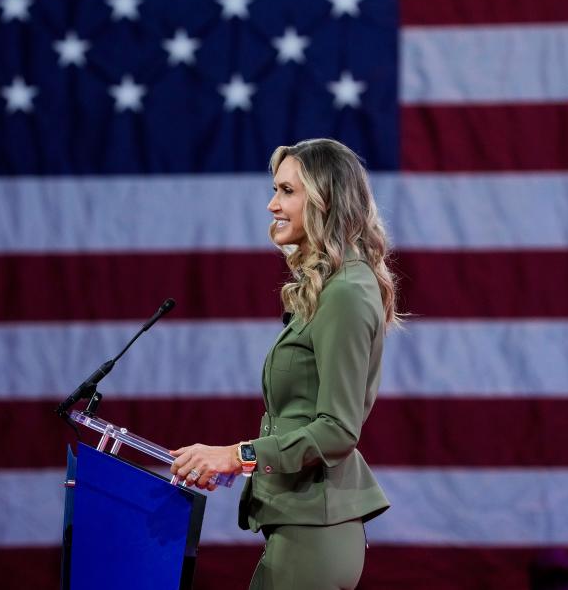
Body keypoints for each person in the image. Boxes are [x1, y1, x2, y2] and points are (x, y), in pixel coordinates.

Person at [170, 138, 403, 589]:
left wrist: (236, 457)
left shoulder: (347, 292)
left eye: (287, 191)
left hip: (316, 533)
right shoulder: (333, 287)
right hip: (299, 526)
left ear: (326, 199)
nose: (272, 204)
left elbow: (336, 431)